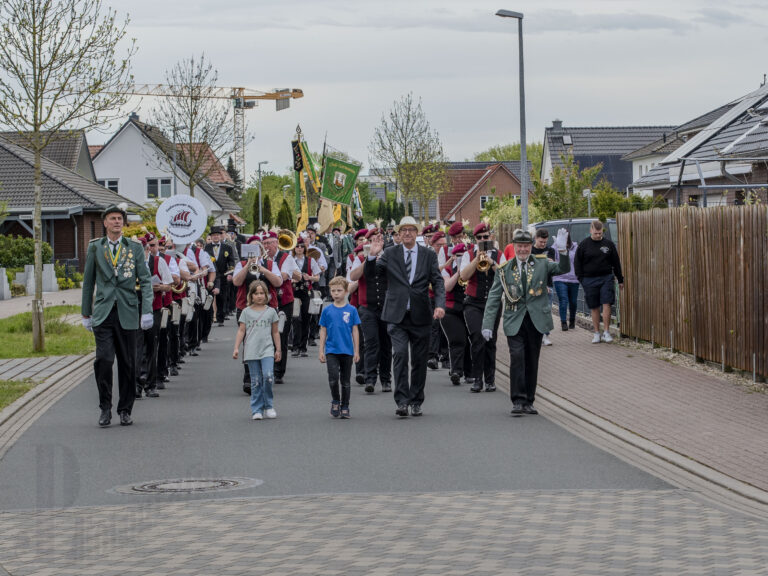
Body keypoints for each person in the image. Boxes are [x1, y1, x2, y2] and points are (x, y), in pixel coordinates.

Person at [482, 228, 570, 416]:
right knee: (517, 357)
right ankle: (518, 400)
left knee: (532, 360)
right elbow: (494, 297)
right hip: (514, 320)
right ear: (514, 247)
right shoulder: (505, 269)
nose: (523, 250)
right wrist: (488, 324)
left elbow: (564, 269)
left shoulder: (542, 263)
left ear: (530, 246)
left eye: (526, 246)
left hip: (536, 320)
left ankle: (529, 400)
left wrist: (563, 252)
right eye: (520, 246)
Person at [366, 216, 445, 418]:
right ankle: (401, 401)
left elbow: (437, 281)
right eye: (404, 230)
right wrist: (372, 256)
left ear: (417, 232)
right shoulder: (391, 253)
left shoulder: (428, 255)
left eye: (411, 229)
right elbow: (373, 274)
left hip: (421, 315)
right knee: (400, 354)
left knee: (419, 361)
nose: (407, 233)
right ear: (399, 234)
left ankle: (416, 400)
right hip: (396, 315)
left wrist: (439, 305)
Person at [81, 204, 153, 427]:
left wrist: (147, 310)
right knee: (104, 359)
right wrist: (86, 312)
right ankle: (105, 408)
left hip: (128, 311)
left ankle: (125, 409)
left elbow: (146, 279)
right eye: (112, 218)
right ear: (105, 223)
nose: (116, 222)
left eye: (119, 219)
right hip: (103, 312)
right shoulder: (95, 248)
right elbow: (88, 282)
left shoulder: (134, 247)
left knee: (128, 364)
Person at [460, 222, 506, 392]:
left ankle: (490, 379)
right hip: (473, 302)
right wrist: (476, 259)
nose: (482, 240)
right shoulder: (468, 254)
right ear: (475, 239)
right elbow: (463, 276)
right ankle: (477, 378)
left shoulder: (499, 255)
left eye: (485, 237)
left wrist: (491, 261)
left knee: (490, 340)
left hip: (492, 304)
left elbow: (505, 276)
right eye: (479, 238)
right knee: (477, 338)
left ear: (491, 237)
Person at [349, 227, 391, 394]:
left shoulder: (390, 256)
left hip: (387, 307)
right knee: (371, 343)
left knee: (386, 345)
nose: (377, 241)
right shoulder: (360, 257)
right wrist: (370, 257)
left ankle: (386, 379)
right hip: (367, 307)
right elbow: (353, 277)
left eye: (379, 238)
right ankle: (370, 378)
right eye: (374, 238)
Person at [233, 280, 281, 420]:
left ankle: (269, 405)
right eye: (256, 293)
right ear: (251, 296)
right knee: (256, 381)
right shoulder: (246, 312)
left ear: (266, 295)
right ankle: (257, 409)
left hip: (267, 350)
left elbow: (275, 332)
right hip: (251, 350)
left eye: (262, 293)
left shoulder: (271, 311)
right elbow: (241, 331)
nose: (259, 296)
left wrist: (278, 349)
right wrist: (236, 348)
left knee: (268, 376)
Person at [574, 220, 624, 344]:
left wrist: (620, 279)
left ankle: (606, 332)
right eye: (596, 233)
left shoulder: (608, 244)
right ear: (591, 230)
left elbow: (616, 262)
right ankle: (597, 333)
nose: (598, 235)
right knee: (594, 306)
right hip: (589, 280)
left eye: (600, 233)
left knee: (606, 303)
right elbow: (577, 263)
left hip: (606, 277)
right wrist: (582, 279)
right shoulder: (584, 245)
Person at [318, 276, 361, 419]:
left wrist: (356, 350)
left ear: (346, 291)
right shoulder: (327, 310)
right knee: (333, 378)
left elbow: (355, 330)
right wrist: (321, 350)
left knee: (346, 381)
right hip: (331, 350)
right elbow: (323, 330)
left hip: (347, 350)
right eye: (333, 290)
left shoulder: (352, 310)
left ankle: (345, 406)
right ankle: (335, 400)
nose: (336, 293)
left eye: (339, 290)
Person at [290, 237, 321, 357]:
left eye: (301, 246)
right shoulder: (290, 260)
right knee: (296, 319)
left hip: (307, 292)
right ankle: (295, 346)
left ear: (305, 248)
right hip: (294, 293)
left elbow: (317, 277)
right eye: (297, 246)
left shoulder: (310, 260)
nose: (299, 248)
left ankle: (303, 347)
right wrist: (291, 279)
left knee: (307, 319)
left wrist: (310, 277)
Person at [205, 226, 237, 327]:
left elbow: (231, 261)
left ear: (220, 236)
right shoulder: (207, 247)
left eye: (217, 235)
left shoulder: (227, 247)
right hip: (210, 275)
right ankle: (210, 317)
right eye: (213, 235)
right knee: (209, 296)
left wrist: (230, 273)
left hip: (223, 275)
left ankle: (220, 317)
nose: (215, 237)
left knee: (222, 297)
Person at [531, 228, 556, 346]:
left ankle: (545, 335)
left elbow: (551, 266)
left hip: (548, 284)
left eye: (545, 242)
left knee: (546, 310)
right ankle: (536, 334)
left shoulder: (550, 250)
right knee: (534, 310)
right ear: (535, 238)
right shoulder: (530, 250)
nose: (543, 245)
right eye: (541, 242)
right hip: (533, 285)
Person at [552, 231, 579, 331]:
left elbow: (578, 261)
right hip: (560, 278)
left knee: (573, 302)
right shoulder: (555, 247)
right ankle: (563, 322)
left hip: (573, 279)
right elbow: (552, 260)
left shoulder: (575, 247)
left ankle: (572, 320)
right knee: (563, 300)